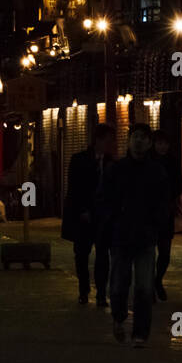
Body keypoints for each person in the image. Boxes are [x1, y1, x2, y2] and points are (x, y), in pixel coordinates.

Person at [105, 124, 172, 346]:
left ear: (150, 143)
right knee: (118, 285)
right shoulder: (117, 169)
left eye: (144, 138)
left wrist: (157, 225)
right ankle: (119, 317)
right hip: (121, 236)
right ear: (129, 140)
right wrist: (109, 224)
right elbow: (104, 200)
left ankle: (140, 334)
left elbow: (164, 203)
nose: (139, 141)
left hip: (145, 237)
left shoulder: (157, 172)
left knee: (144, 287)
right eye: (136, 137)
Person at [62, 125, 114, 306]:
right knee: (82, 255)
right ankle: (84, 289)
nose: (110, 145)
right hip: (84, 216)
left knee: (103, 256)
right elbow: (74, 188)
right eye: (107, 141)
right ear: (98, 140)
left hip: (103, 217)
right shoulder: (79, 160)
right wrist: (82, 210)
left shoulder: (111, 162)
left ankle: (101, 293)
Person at [151, 129, 182, 301]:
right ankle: (150, 284)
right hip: (149, 214)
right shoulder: (147, 162)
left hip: (165, 212)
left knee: (164, 252)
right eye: (159, 143)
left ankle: (157, 280)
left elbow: (180, 184)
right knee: (149, 251)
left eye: (165, 143)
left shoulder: (172, 162)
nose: (162, 147)